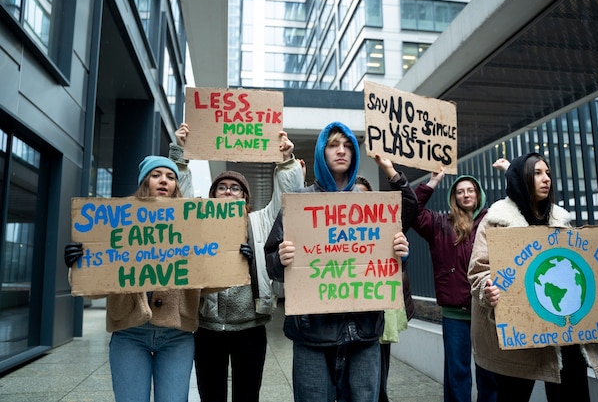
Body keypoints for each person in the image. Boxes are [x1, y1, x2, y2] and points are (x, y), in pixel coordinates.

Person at [264, 121, 411, 402]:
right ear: (322, 151)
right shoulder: (299, 204)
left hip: (365, 333)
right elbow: (271, 265)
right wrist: (280, 259)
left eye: (347, 146)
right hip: (311, 336)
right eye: (333, 145)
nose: (341, 151)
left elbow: (387, 266)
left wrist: (401, 253)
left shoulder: (373, 206)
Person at [169, 123, 305, 402]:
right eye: (222, 188)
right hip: (207, 329)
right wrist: (180, 154)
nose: (229, 192)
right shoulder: (200, 221)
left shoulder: (261, 221)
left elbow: (287, 199)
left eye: (235, 189)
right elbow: (178, 200)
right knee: (211, 396)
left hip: (250, 330)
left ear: (245, 198)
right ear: (213, 195)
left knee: (247, 397)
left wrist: (287, 161)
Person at [64, 155, 201, 402]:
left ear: (176, 185)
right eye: (156, 175)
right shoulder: (117, 219)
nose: (164, 181)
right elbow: (93, 289)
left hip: (177, 335)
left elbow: (210, 280)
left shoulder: (191, 222)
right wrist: (78, 264)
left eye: (170, 177)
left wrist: (235, 259)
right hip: (129, 332)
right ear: (144, 181)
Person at [467, 152, 598, 402]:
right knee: (513, 395)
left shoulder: (561, 220)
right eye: (537, 173)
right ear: (522, 178)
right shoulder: (495, 220)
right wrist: (488, 289)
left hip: (563, 330)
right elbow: (478, 270)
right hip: (518, 333)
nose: (546, 179)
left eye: (548, 173)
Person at [411, 167, 497, 402]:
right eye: (460, 191)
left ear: (478, 194)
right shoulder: (439, 224)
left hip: (486, 311)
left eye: (471, 190)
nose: (466, 195)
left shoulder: (493, 223)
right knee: (457, 373)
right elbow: (411, 211)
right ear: (454, 197)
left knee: (489, 373)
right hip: (455, 314)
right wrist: (433, 181)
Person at [354, 170, 416, 402]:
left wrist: (402, 257)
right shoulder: (334, 234)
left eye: (365, 197)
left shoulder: (386, 226)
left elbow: (410, 205)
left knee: (377, 381)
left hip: (378, 316)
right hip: (346, 318)